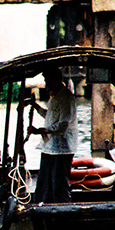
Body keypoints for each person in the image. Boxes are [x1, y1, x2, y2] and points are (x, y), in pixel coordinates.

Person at [27, 68, 76, 204]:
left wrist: (40, 131)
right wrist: (35, 106)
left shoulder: (66, 96)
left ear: (56, 80)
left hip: (62, 149)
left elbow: (63, 125)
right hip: (49, 147)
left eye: (48, 80)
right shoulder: (54, 96)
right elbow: (49, 115)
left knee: (59, 185)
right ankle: (42, 207)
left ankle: (63, 210)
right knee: (44, 182)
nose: (46, 84)